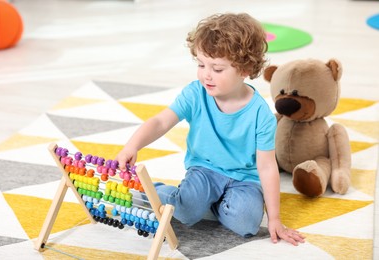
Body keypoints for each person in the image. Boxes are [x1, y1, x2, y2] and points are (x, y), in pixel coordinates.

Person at [116, 12, 305, 245]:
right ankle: (148, 192)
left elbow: (267, 166)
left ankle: (211, 202)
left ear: (245, 69)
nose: (206, 74)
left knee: (247, 224)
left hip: (244, 179)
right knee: (185, 212)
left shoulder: (261, 114)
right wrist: (132, 146)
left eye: (217, 69)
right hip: (204, 170)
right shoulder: (195, 94)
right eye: (201, 64)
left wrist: (275, 219)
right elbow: (161, 121)